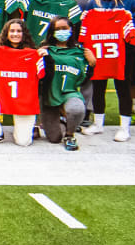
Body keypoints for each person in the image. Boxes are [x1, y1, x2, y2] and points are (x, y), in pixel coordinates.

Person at [83, 0, 135, 142]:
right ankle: (98, 124)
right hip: (99, 52)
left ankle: (124, 127)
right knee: (98, 89)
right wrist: (87, 51)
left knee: (123, 89)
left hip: (124, 54)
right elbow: (85, 29)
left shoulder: (131, 2)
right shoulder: (93, 2)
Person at [0, 19, 43, 146]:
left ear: (24, 33)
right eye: (12, 31)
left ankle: (24, 129)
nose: (15, 34)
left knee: (23, 142)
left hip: (25, 101)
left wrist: (46, 57)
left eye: (19, 31)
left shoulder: (34, 54)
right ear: (6, 34)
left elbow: (44, 76)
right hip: (4, 96)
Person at [39, 17, 94, 150]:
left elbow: (84, 79)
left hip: (69, 93)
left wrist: (92, 64)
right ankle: (62, 119)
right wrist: (42, 57)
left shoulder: (80, 52)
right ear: (52, 32)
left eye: (65, 28)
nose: (61, 32)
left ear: (71, 30)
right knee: (54, 138)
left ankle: (70, 134)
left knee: (77, 109)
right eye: (57, 29)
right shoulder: (45, 49)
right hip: (48, 96)